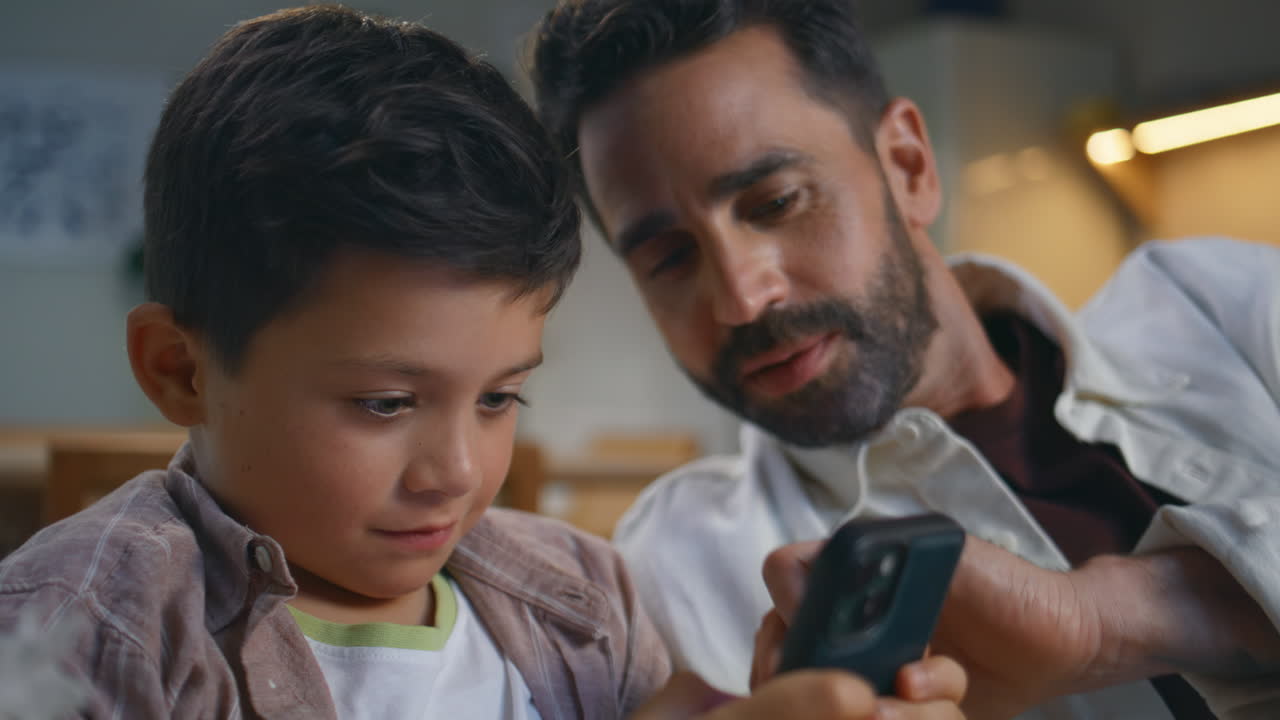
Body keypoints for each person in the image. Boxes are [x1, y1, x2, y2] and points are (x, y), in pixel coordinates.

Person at [0, 6, 968, 719]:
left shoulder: (582, 592)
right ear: (179, 370)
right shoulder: (80, 631)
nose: (457, 472)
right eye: (384, 403)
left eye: (502, 395)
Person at [529, 1, 1280, 718]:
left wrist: (1117, 619)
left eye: (775, 202)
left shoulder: (1221, 308)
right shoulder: (681, 565)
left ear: (908, 165)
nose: (740, 298)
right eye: (668, 256)